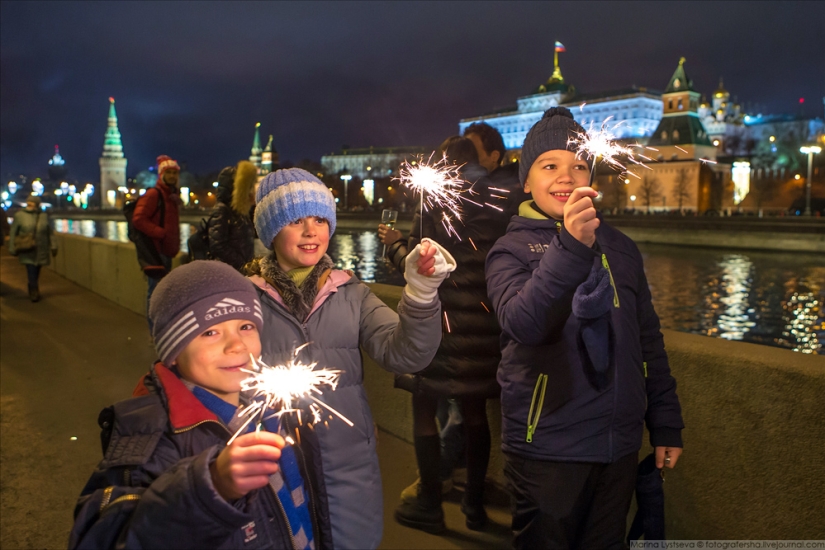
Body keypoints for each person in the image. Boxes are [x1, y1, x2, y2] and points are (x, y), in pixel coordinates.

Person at [485, 107, 685, 549]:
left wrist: (665, 423)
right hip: (547, 447)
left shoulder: (621, 247)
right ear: (526, 181)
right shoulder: (509, 250)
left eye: (578, 165)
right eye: (549, 166)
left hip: (617, 446)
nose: (566, 176)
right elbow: (524, 324)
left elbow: (648, 342)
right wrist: (572, 247)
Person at [245, 168, 455, 549]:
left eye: (320, 219)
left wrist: (422, 293)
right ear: (271, 229)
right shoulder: (245, 300)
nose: (311, 231)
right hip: (272, 468)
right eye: (296, 220)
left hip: (348, 464)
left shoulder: (353, 294)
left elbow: (406, 353)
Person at [69, 260, 332, 549]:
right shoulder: (148, 439)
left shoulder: (273, 413)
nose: (237, 346)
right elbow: (104, 538)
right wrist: (209, 487)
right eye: (210, 332)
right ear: (173, 351)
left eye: (245, 326)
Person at [379, 137, 508, 533]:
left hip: (436, 326)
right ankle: (474, 506)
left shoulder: (431, 203)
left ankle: (430, 503)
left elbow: (417, 266)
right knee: (475, 413)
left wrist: (394, 247)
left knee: (424, 407)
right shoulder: (496, 205)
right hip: (481, 329)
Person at [133, 155, 182, 326]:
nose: (172, 176)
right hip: (156, 251)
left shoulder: (171, 196)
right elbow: (138, 219)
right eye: (169, 173)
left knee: (162, 294)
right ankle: (154, 331)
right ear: (161, 175)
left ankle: (161, 329)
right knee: (155, 294)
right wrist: (161, 233)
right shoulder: (154, 194)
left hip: (166, 251)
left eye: (175, 173)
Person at [206, 160, 257, 270]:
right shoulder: (222, 210)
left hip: (241, 272)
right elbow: (217, 246)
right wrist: (242, 264)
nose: (251, 190)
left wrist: (253, 206)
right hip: (229, 273)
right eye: (248, 187)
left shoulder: (241, 212)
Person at [8, 196, 56, 302]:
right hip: (27, 248)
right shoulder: (19, 216)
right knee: (31, 269)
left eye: (32, 203)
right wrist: (12, 247)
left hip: (41, 249)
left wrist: (54, 246)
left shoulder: (43, 216)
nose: (30, 205)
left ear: (37, 205)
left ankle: (32, 285)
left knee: (37, 269)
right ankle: (34, 290)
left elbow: (50, 233)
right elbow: (13, 232)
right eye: (28, 203)